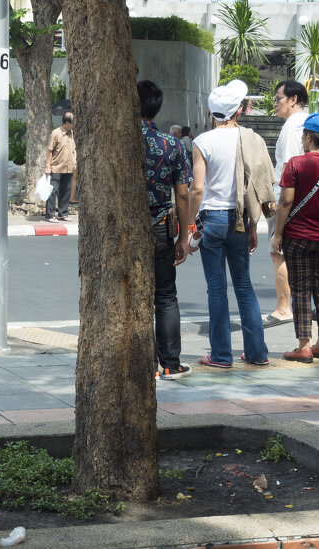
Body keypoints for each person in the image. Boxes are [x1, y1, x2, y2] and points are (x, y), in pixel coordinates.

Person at [189, 80, 273, 368]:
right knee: (244, 286)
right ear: (239, 111)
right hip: (240, 218)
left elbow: (197, 189)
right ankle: (257, 353)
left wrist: (189, 224)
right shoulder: (251, 139)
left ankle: (221, 355)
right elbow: (253, 187)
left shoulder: (202, 141)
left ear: (212, 112)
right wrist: (251, 228)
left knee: (216, 288)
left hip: (211, 219)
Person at [270, 113, 319, 363]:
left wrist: (278, 234)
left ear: (307, 137)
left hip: (299, 237)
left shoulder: (295, 164)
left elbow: (285, 202)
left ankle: (303, 346)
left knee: (301, 290)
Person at [140, 80, 193, 380]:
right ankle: (170, 363)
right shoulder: (171, 144)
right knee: (165, 296)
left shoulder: (118, 142)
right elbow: (183, 194)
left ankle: (143, 365)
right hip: (161, 228)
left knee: (134, 298)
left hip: (125, 231)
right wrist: (184, 236)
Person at [264, 79, 310, 328]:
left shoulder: (293, 126)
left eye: (278, 99)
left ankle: (283, 308)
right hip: (308, 201)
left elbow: (291, 171)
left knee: (278, 251)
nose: (275, 104)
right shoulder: (311, 122)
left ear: (293, 99)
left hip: (291, 201)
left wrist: (283, 207)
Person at [45, 111, 76, 223]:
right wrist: (48, 167)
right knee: (52, 191)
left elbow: (74, 148)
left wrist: (74, 160)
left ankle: (63, 213)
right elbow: (49, 151)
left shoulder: (72, 133)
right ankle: (50, 215)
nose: (74, 125)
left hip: (68, 167)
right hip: (56, 167)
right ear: (67, 122)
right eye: (73, 122)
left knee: (66, 191)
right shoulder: (56, 133)